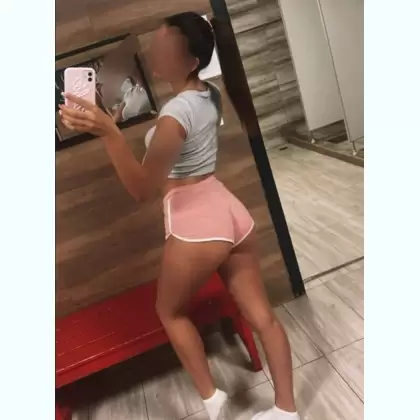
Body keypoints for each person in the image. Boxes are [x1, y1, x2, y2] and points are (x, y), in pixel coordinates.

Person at [59, 12, 300, 420]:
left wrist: (109, 135)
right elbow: (184, 147)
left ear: (190, 61)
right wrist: (115, 125)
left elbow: (141, 189)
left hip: (197, 223)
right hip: (229, 212)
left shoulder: (174, 115)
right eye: (155, 43)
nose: (154, 51)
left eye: (164, 47)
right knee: (263, 317)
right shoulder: (209, 94)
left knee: (169, 312)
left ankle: (212, 397)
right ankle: (287, 411)